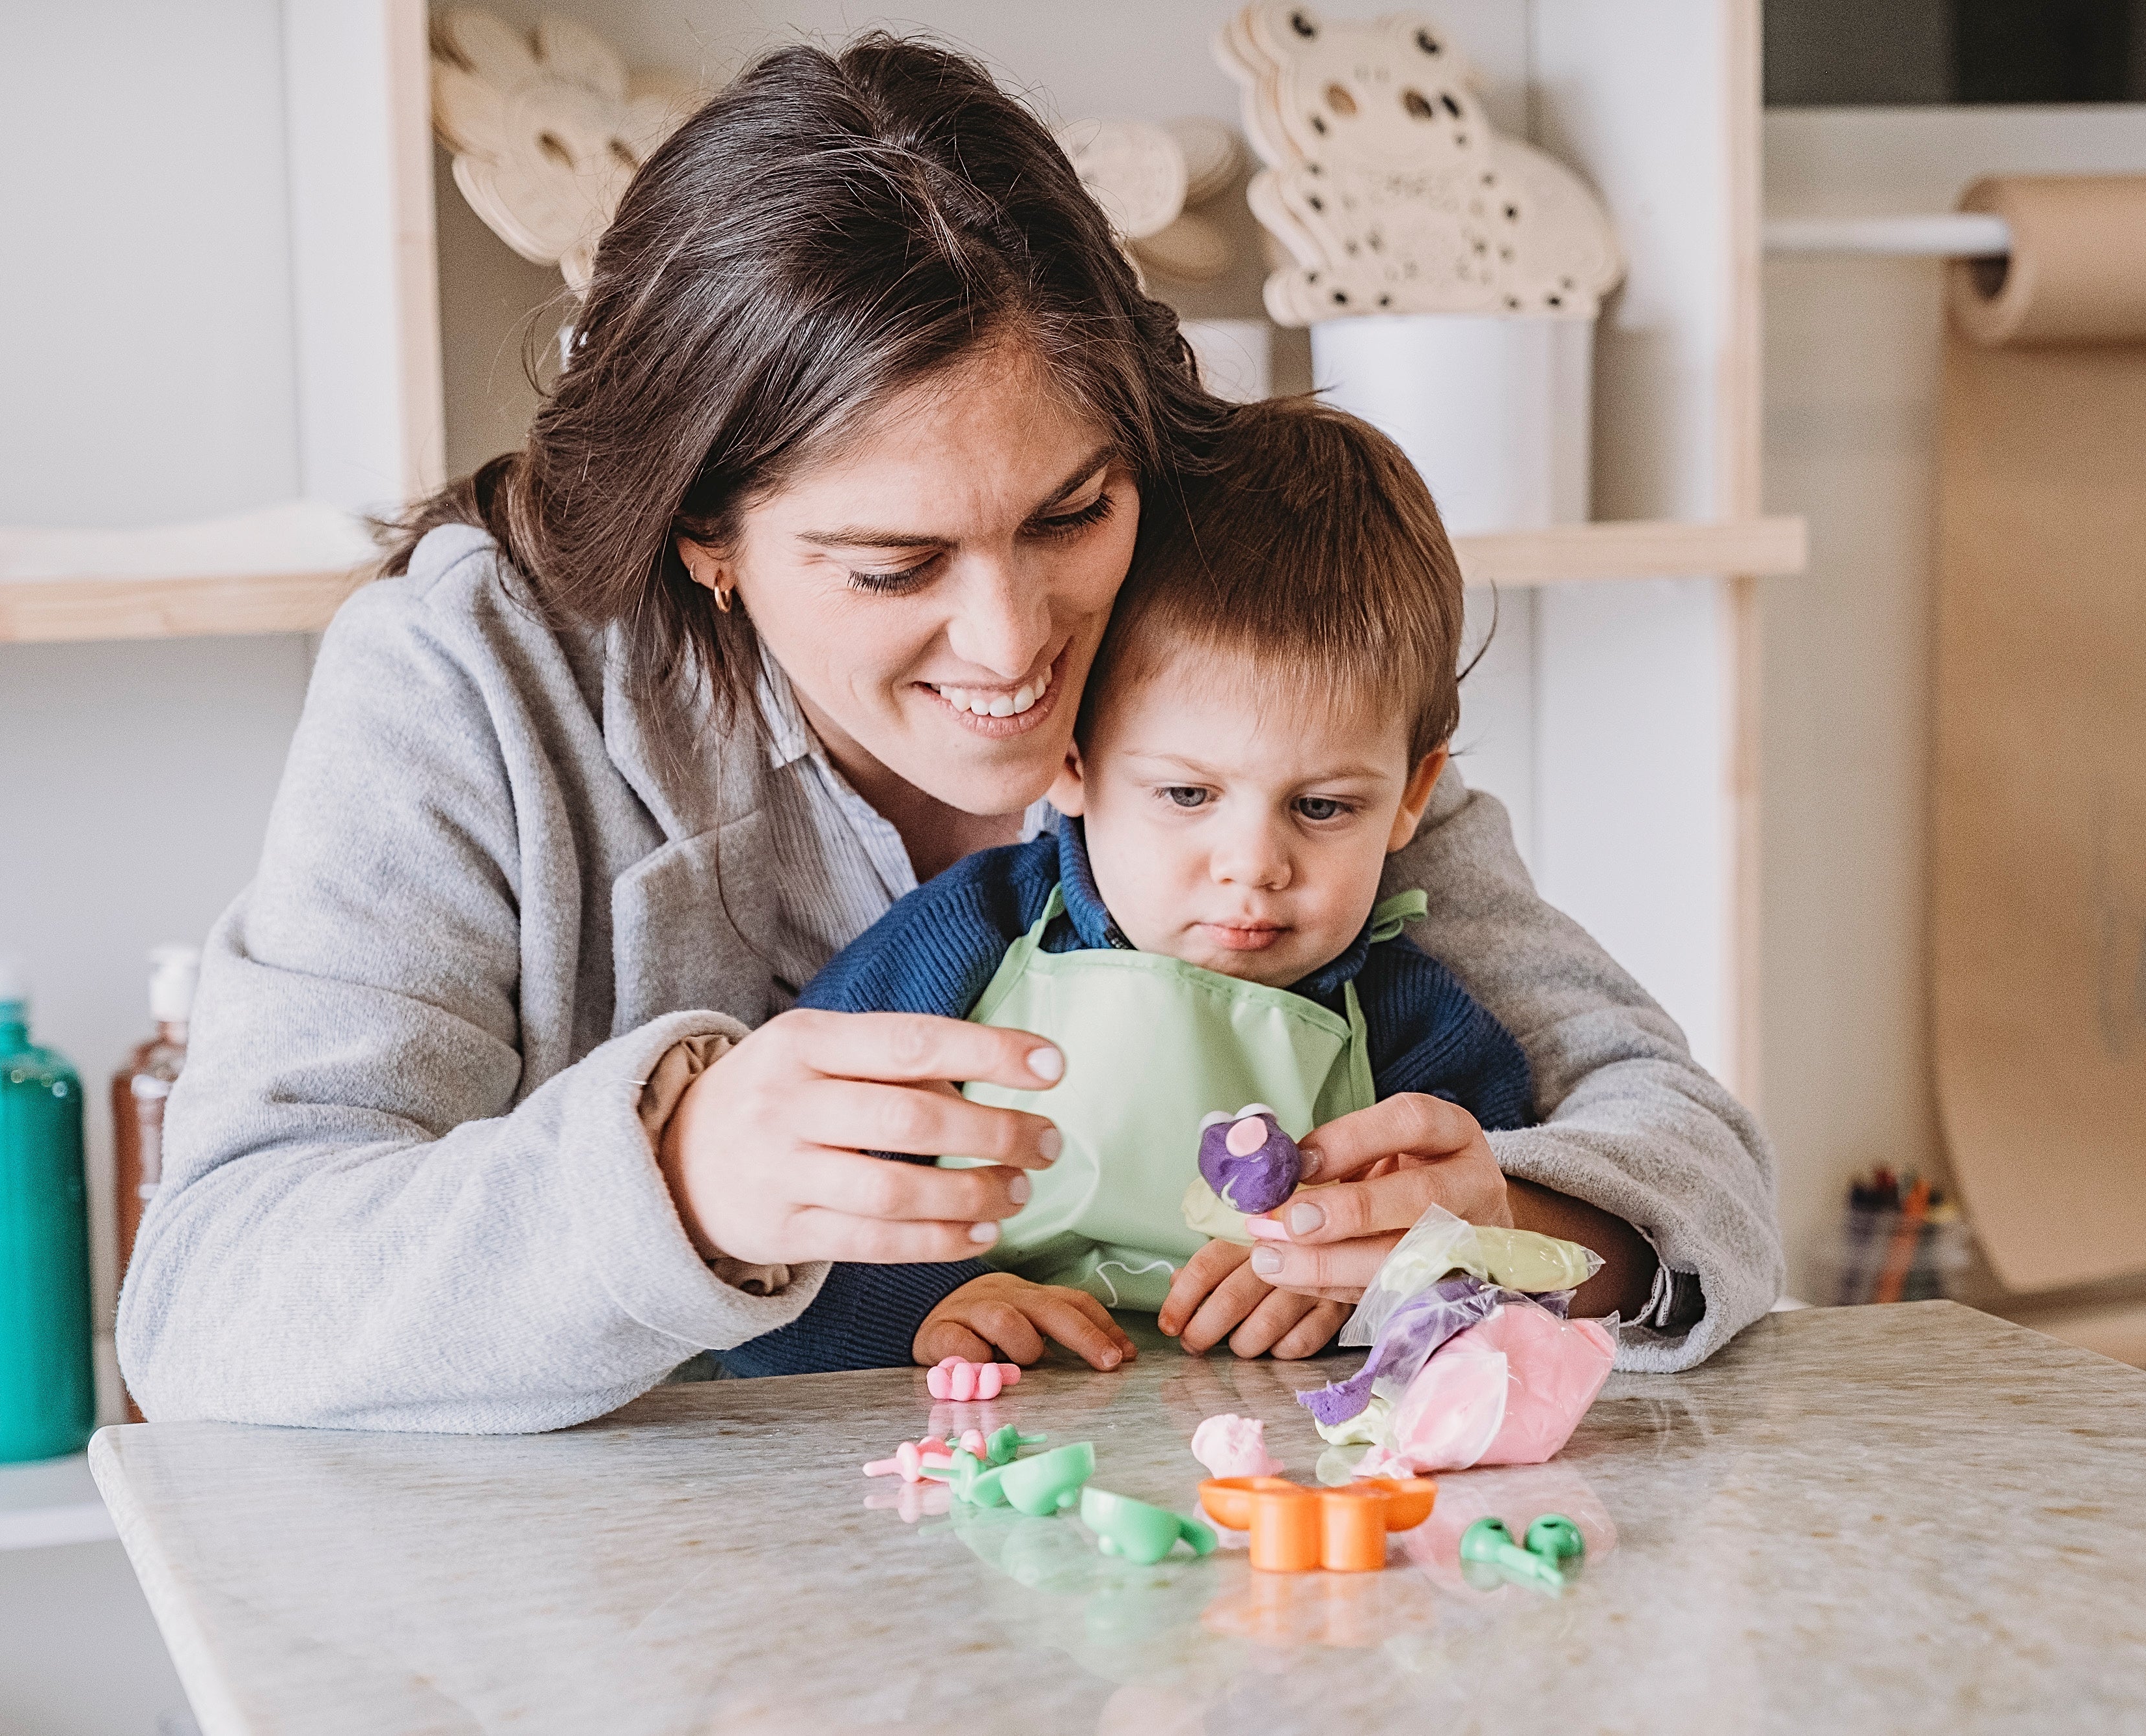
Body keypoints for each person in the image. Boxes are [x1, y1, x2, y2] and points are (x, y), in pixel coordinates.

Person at [117, 35, 1780, 1436]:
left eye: (1066, 512)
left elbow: (1689, 1153)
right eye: (891, 563)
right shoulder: (475, 677)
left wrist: (1507, 1218)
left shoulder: (1217, 618)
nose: (1012, 645)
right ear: (704, 532)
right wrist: (670, 1184)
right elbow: (213, 1300)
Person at [724, 398, 1536, 1378]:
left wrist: (1371, 1286)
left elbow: (1501, 1276)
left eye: (1322, 809)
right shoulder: (964, 940)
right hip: (981, 1453)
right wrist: (927, 1309)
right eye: (1187, 794)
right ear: (1069, 762)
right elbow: (786, 1209)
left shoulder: (1423, 1031)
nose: (1253, 865)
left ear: (1412, 795)